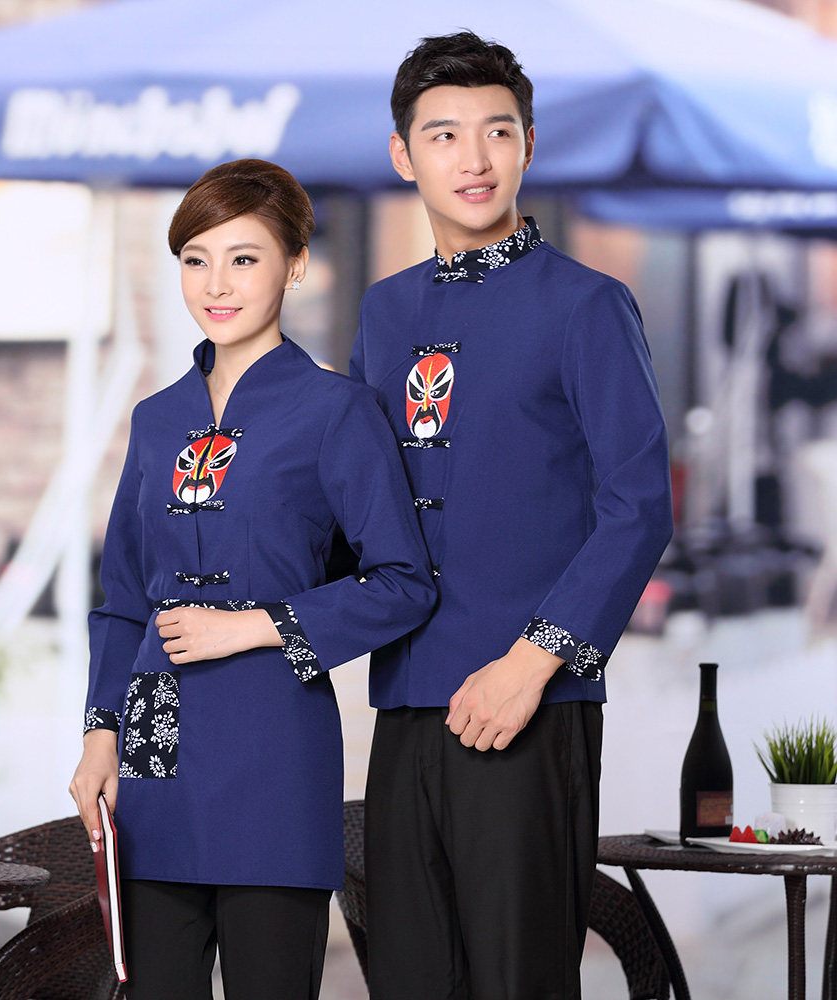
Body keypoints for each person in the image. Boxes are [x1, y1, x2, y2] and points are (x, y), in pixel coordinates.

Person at [350, 31, 675, 1000]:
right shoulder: (383, 311)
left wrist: (530, 664)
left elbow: (637, 506)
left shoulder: (588, 305)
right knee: (409, 979)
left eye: (497, 131)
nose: (475, 158)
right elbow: (358, 501)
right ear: (404, 155)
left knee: (518, 980)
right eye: (443, 134)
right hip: (406, 700)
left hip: (529, 704)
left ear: (528, 143)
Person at [69, 158, 436, 1000]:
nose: (216, 284)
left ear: (296, 264)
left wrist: (253, 625)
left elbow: (403, 582)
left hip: (274, 748)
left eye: (244, 258)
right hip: (155, 745)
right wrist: (99, 734)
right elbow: (123, 601)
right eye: (196, 259)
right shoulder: (156, 419)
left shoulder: (338, 411)